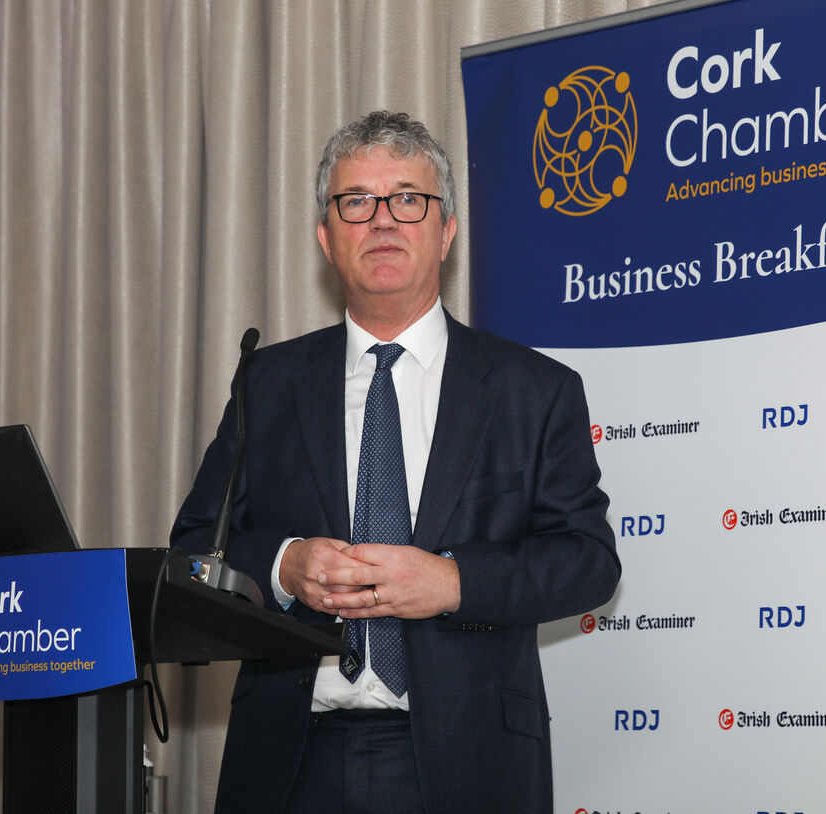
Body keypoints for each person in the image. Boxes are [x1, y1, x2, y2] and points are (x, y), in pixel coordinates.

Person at [170, 110, 619, 814]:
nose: (382, 220)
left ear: (446, 231)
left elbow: (589, 562)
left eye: (408, 198)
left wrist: (453, 581)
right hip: (289, 758)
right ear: (326, 237)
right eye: (357, 202)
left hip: (468, 762)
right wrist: (285, 565)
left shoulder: (533, 389)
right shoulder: (268, 381)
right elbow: (194, 547)